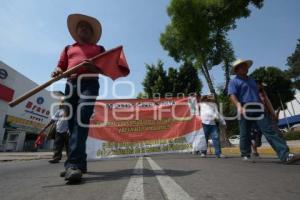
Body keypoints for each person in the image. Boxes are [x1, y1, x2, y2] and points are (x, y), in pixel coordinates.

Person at [51, 14, 105, 183]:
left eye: (86, 27)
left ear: (91, 33)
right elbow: (60, 65)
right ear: (76, 31)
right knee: (72, 124)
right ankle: (79, 163)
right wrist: (57, 71)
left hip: (89, 84)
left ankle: (73, 165)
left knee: (81, 120)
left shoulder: (100, 49)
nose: (83, 28)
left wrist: (94, 66)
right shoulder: (68, 48)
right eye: (80, 26)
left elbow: (106, 68)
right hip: (70, 85)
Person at [228, 59, 300, 164]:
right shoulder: (234, 82)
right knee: (245, 133)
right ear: (237, 70)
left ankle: (285, 155)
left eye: (245, 66)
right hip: (244, 108)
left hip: (258, 108)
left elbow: (258, 95)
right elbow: (232, 95)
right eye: (242, 66)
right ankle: (245, 153)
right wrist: (239, 106)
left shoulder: (252, 80)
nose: (245, 68)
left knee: (269, 130)